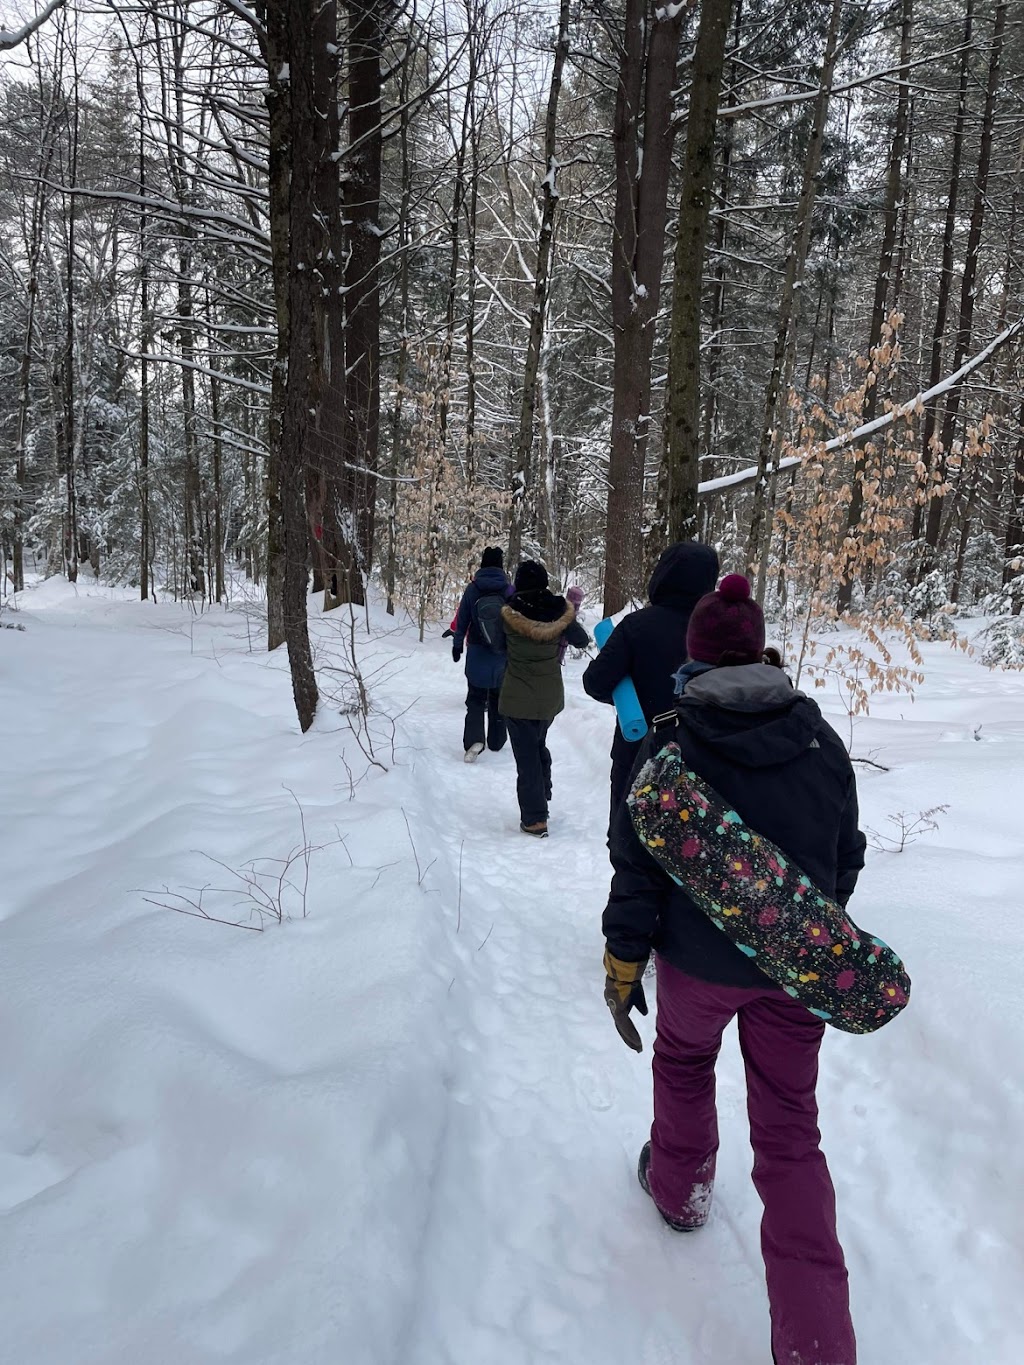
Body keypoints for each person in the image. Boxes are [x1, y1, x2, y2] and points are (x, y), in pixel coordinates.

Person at [602, 574, 866, 1365]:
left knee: (684, 1061)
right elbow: (843, 857)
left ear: (696, 657)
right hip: (795, 970)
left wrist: (624, 962)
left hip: (695, 966)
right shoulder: (819, 741)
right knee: (790, 1133)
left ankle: (680, 1191)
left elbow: (636, 864)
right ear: (759, 651)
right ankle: (818, 1347)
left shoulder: (672, 740)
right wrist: (797, 928)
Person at [582, 541, 719, 833]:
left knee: (630, 843)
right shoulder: (721, 631)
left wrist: (630, 694)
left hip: (639, 755)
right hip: (706, 761)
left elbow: (595, 681)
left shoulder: (637, 626)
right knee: (694, 850)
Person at [499, 560, 589, 837]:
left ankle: (535, 819)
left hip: (516, 697)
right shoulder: (561, 611)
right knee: (538, 744)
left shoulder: (507, 613)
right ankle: (543, 793)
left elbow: (496, 645)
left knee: (526, 758)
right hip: (549, 696)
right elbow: (582, 640)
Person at [451, 547, 512, 762]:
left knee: (476, 698)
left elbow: (462, 621)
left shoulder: (472, 589)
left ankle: (475, 740)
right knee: (498, 697)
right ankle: (497, 739)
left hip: (477, 651)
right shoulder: (508, 591)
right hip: (501, 655)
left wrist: (457, 645)